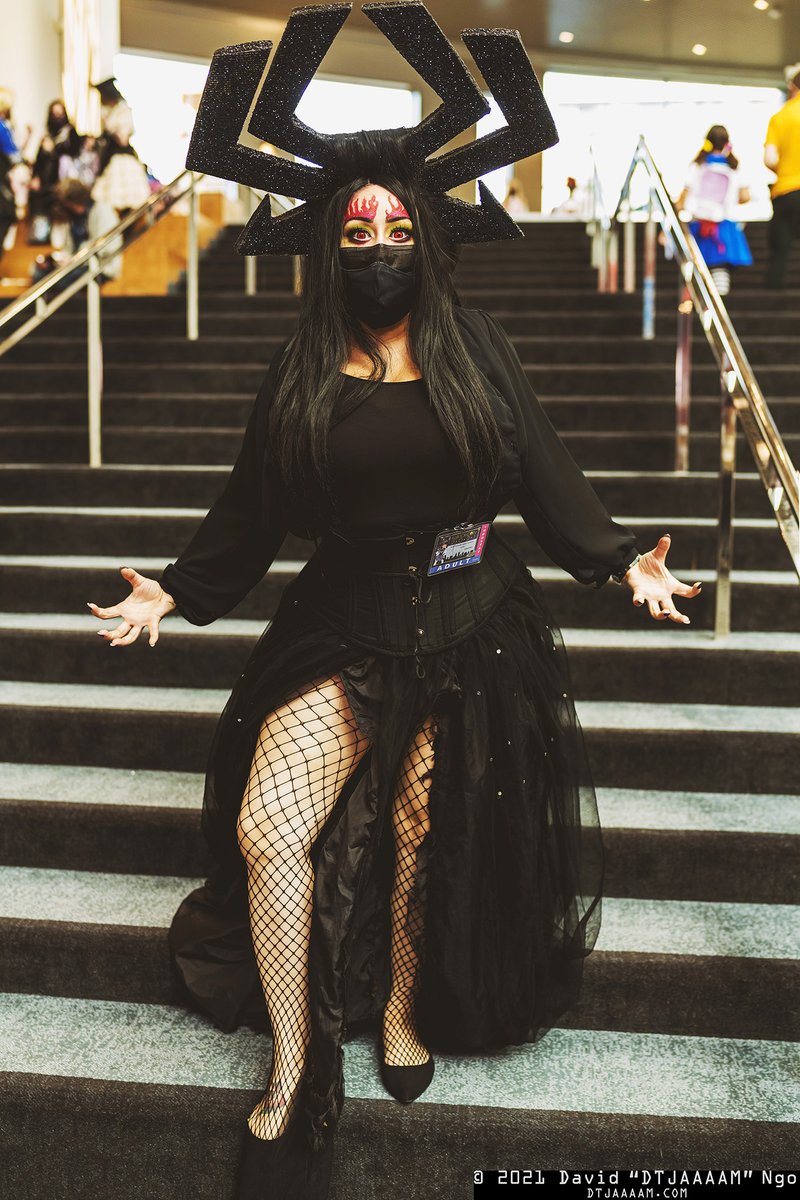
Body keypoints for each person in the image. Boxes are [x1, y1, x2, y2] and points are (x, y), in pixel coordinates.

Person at [86, 5, 702, 1198]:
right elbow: (250, 506)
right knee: (271, 826)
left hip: (470, 618)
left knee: (422, 828)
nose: (376, 243)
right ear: (329, 244)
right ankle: (293, 1057)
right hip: (341, 620)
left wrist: (616, 558)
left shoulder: (478, 348)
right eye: (355, 228)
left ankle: (405, 1010)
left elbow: (541, 472)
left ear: (427, 235)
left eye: (395, 226)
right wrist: (179, 588)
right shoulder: (302, 365)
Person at [675, 125, 752, 297]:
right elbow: (745, 196)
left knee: (697, 270)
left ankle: (697, 303)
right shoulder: (734, 167)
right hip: (724, 227)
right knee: (720, 271)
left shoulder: (698, 165)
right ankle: (719, 303)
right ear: (727, 143)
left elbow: (683, 199)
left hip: (699, 225)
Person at [31, 177, 122, 290]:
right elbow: (69, 248)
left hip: (100, 267)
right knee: (39, 273)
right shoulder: (72, 217)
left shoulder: (102, 211)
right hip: (76, 265)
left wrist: (77, 257)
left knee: (56, 281)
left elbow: (108, 246)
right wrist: (59, 260)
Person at [91, 77, 151, 217]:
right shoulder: (110, 111)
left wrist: (111, 128)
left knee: (125, 201)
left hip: (121, 157)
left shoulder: (122, 111)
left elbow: (122, 140)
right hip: (110, 156)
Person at [763, 62, 800, 289]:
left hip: (786, 191)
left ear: (792, 86)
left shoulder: (780, 117)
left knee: (781, 248)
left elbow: (769, 159)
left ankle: (773, 290)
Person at [27, 99, 81, 243]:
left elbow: (75, 152)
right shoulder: (47, 135)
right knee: (43, 206)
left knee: (62, 208)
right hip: (47, 180)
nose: (57, 117)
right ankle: (41, 235)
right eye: (54, 113)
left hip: (64, 178)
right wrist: (35, 177)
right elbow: (39, 159)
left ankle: (64, 239)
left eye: (60, 113)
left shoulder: (70, 133)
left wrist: (55, 149)